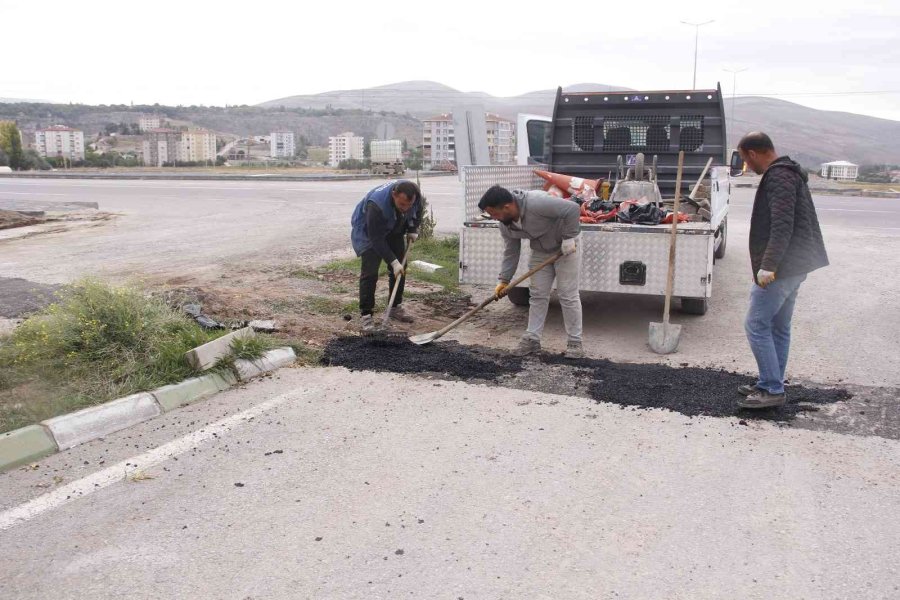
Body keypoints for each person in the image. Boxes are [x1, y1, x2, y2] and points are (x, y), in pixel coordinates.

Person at [737, 132, 829, 409]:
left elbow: (782, 225)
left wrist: (768, 265)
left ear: (753, 153)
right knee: (778, 326)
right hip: (796, 263)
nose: (747, 165)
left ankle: (772, 389)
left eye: (745, 159)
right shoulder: (789, 172)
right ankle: (770, 381)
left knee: (756, 324)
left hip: (783, 267)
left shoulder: (779, 176)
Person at [478, 185, 583, 358]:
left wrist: (569, 237)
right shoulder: (505, 225)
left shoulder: (537, 203)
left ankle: (575, 342)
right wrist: (504, 280)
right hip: (540, 251)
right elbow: (511, 251)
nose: (494, 218)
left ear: (507, 207)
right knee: (538, 294)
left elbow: (572, 209)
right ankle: (532, 339)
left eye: (494, 214)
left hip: (566, 248)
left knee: (567, 294)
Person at [350, 180, 423, 331]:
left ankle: (394, 307)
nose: (406, 209)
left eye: (408, 205)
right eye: (402, 205)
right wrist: (393, 262)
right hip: (369, 231)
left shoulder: (414, 195)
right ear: (394, 195)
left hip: (393, 225)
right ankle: (366, 315)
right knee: (370, 273)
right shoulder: (376, 206)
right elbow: (376, 239)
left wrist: (413, 228)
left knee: (401, 268)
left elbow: (418, 209)